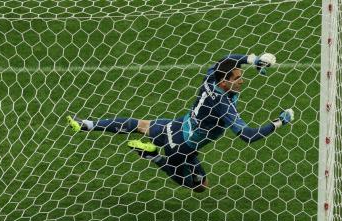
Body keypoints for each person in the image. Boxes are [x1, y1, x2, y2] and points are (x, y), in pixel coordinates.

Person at [66, 53, 294, 193]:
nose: (242, 79)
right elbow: (248, 136)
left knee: (139, 124)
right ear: (224, 83)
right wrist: (280, 122)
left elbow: (226, 58)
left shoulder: (210, 78)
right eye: (237, 77)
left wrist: (253, 60)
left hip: (174, 126)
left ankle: (87, 124)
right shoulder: (224, 106)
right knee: (199, 186)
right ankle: (152, 155)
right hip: (182, 147)